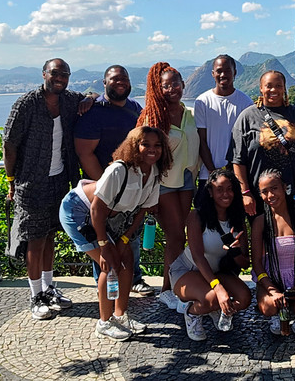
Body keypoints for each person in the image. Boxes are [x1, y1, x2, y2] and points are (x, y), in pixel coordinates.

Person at [59, 126, 171, 341]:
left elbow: (144, 209)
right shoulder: (120, 170)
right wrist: (104, 245)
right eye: (145, 144)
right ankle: (104, 322)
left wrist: (125, 238)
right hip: (80, 211)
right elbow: (96, 209)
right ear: (134, 146)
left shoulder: (154, 172)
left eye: (157, 145)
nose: (152, 149)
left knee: (127, 260)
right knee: (109, 263)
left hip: (112, 217)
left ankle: (120, 315)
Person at [3, 58, 93, 320]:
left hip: (60, 180)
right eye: (55, 73)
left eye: (65, 74)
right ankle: (36, 296)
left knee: (51, 235)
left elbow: (94, 94)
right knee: (35, 239)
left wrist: (89, 97)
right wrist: (11, 181)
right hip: (30, 182)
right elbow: (9, 145)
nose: (60, 78)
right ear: (44, 74)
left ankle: (49, 287)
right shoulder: (26, 104)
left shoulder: (69, 100)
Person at [74, 64, 153, 296]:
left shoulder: (134, 108)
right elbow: (84, 153)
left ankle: (135, 278)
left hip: (130, 185)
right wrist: (106, 185)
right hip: (101, 187)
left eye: (125, 79)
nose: (121, 82)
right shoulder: (93, 112)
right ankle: (105, 285)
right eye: (115, 79)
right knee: (102, 236)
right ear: (104, 82)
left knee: (130, 234)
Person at [137, 62, 200, 308]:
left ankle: (175, 285)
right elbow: (143, 157)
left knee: (180, 237)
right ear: (158, 88)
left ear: (184, 84)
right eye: (166, 85)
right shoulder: (152, 117)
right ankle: (167, 288)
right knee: (175, 237)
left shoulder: (191, 113)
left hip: (186, 181)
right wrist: (148, 195)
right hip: (162, 184)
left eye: (176, 83)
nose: (172, 88)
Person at [170, 168, 251, 341]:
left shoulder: (237, 220)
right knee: (213, 298)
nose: (226, 194)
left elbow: (245, 263)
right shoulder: (196, 216)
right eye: (220, 189)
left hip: (217, 272)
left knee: (244, 298)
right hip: (188, 270)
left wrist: (235, 252)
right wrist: (218, 287)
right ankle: (192, 312)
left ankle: (216, 307)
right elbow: (198, 256)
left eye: (230, 189)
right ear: (210, 192)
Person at [230, 70, 295, 217]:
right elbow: (238, 160)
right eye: (268, 86)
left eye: (278, 86)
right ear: (261, 88)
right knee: (262, 235)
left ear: (284, 88)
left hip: (293, 194)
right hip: (259, 197)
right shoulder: (247, 117)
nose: (273, 90)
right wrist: (245, 193)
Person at [251, 169, 295, 335]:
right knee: (268, 306)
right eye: (264, 192)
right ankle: (277, 315)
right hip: (271, 279)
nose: (270, 195)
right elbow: (257, 263)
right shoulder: (260, 222)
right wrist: (272, 290)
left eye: (274, 189)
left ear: (285, 188)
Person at [194, 55, 253, 186]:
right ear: (213, 74)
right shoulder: (202, 102)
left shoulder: (246, 103)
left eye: (227, 70)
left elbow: (247, 141)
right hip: (208, 175)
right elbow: (201, 140)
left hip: (237, 175)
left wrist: (232, 169)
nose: (223, 74)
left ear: (234, 72)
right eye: (219, 71)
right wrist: (213, 171)